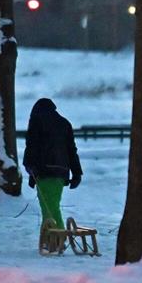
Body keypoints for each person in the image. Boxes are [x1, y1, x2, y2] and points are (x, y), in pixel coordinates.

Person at [22, 98, 82, 233]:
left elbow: (31, 145)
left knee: (49, 208)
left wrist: (29, 164)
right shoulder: (65, 123)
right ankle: (50, 238)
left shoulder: (37, 122)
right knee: (51, 205)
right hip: (61, 172)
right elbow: (71, 150)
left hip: (43, 171)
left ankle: (57, 237)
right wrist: (77, 173)